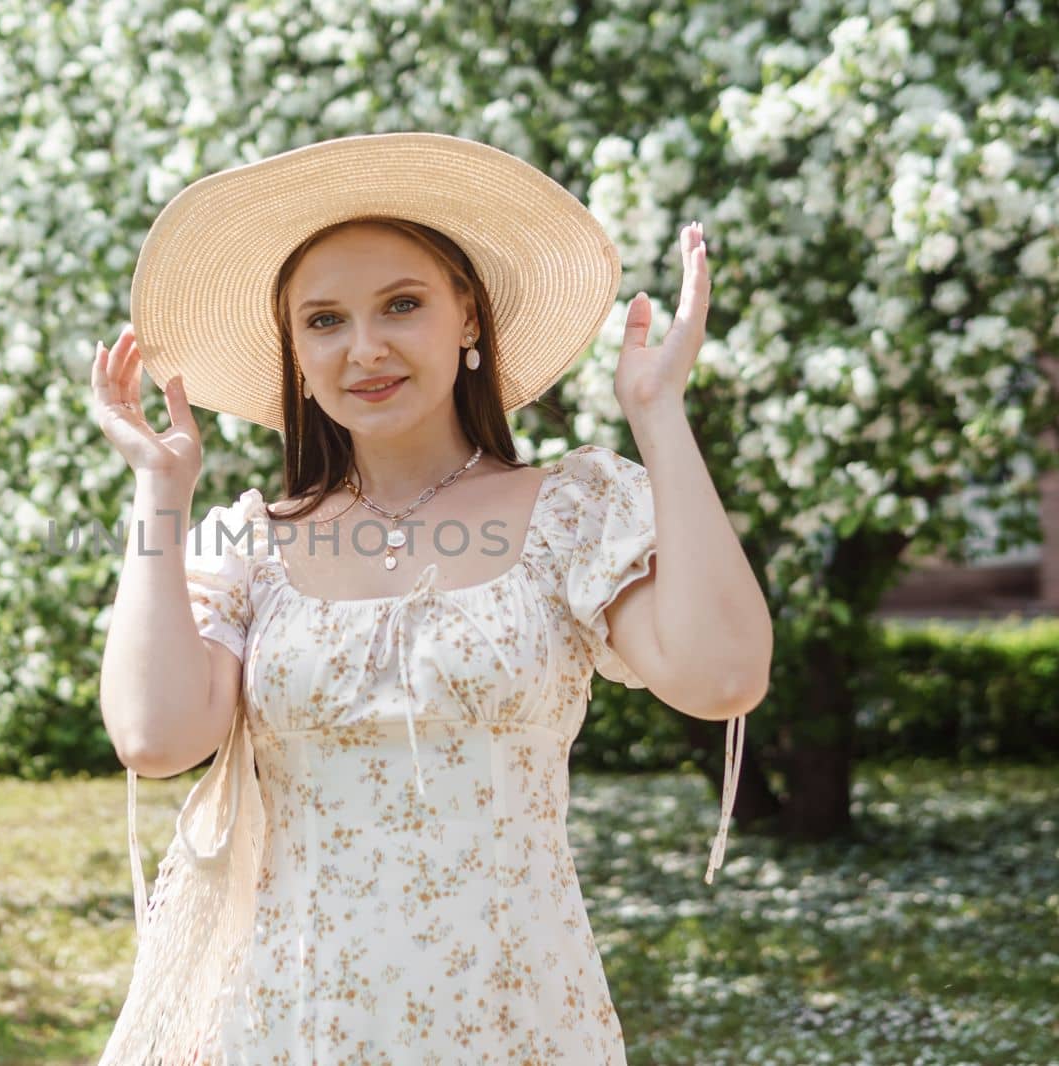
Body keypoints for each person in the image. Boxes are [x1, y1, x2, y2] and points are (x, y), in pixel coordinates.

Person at [91, 132, 772, 1064]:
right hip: (295, 1017)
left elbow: (724, 675)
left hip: (516, 1011)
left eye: (401, 305)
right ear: (294, 351)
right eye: (323, 321)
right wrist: (159, 496)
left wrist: (660, 417)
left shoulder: (567, 514)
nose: (363, 348)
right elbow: (153, 737)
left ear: (467, 317)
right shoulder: (250, 543)